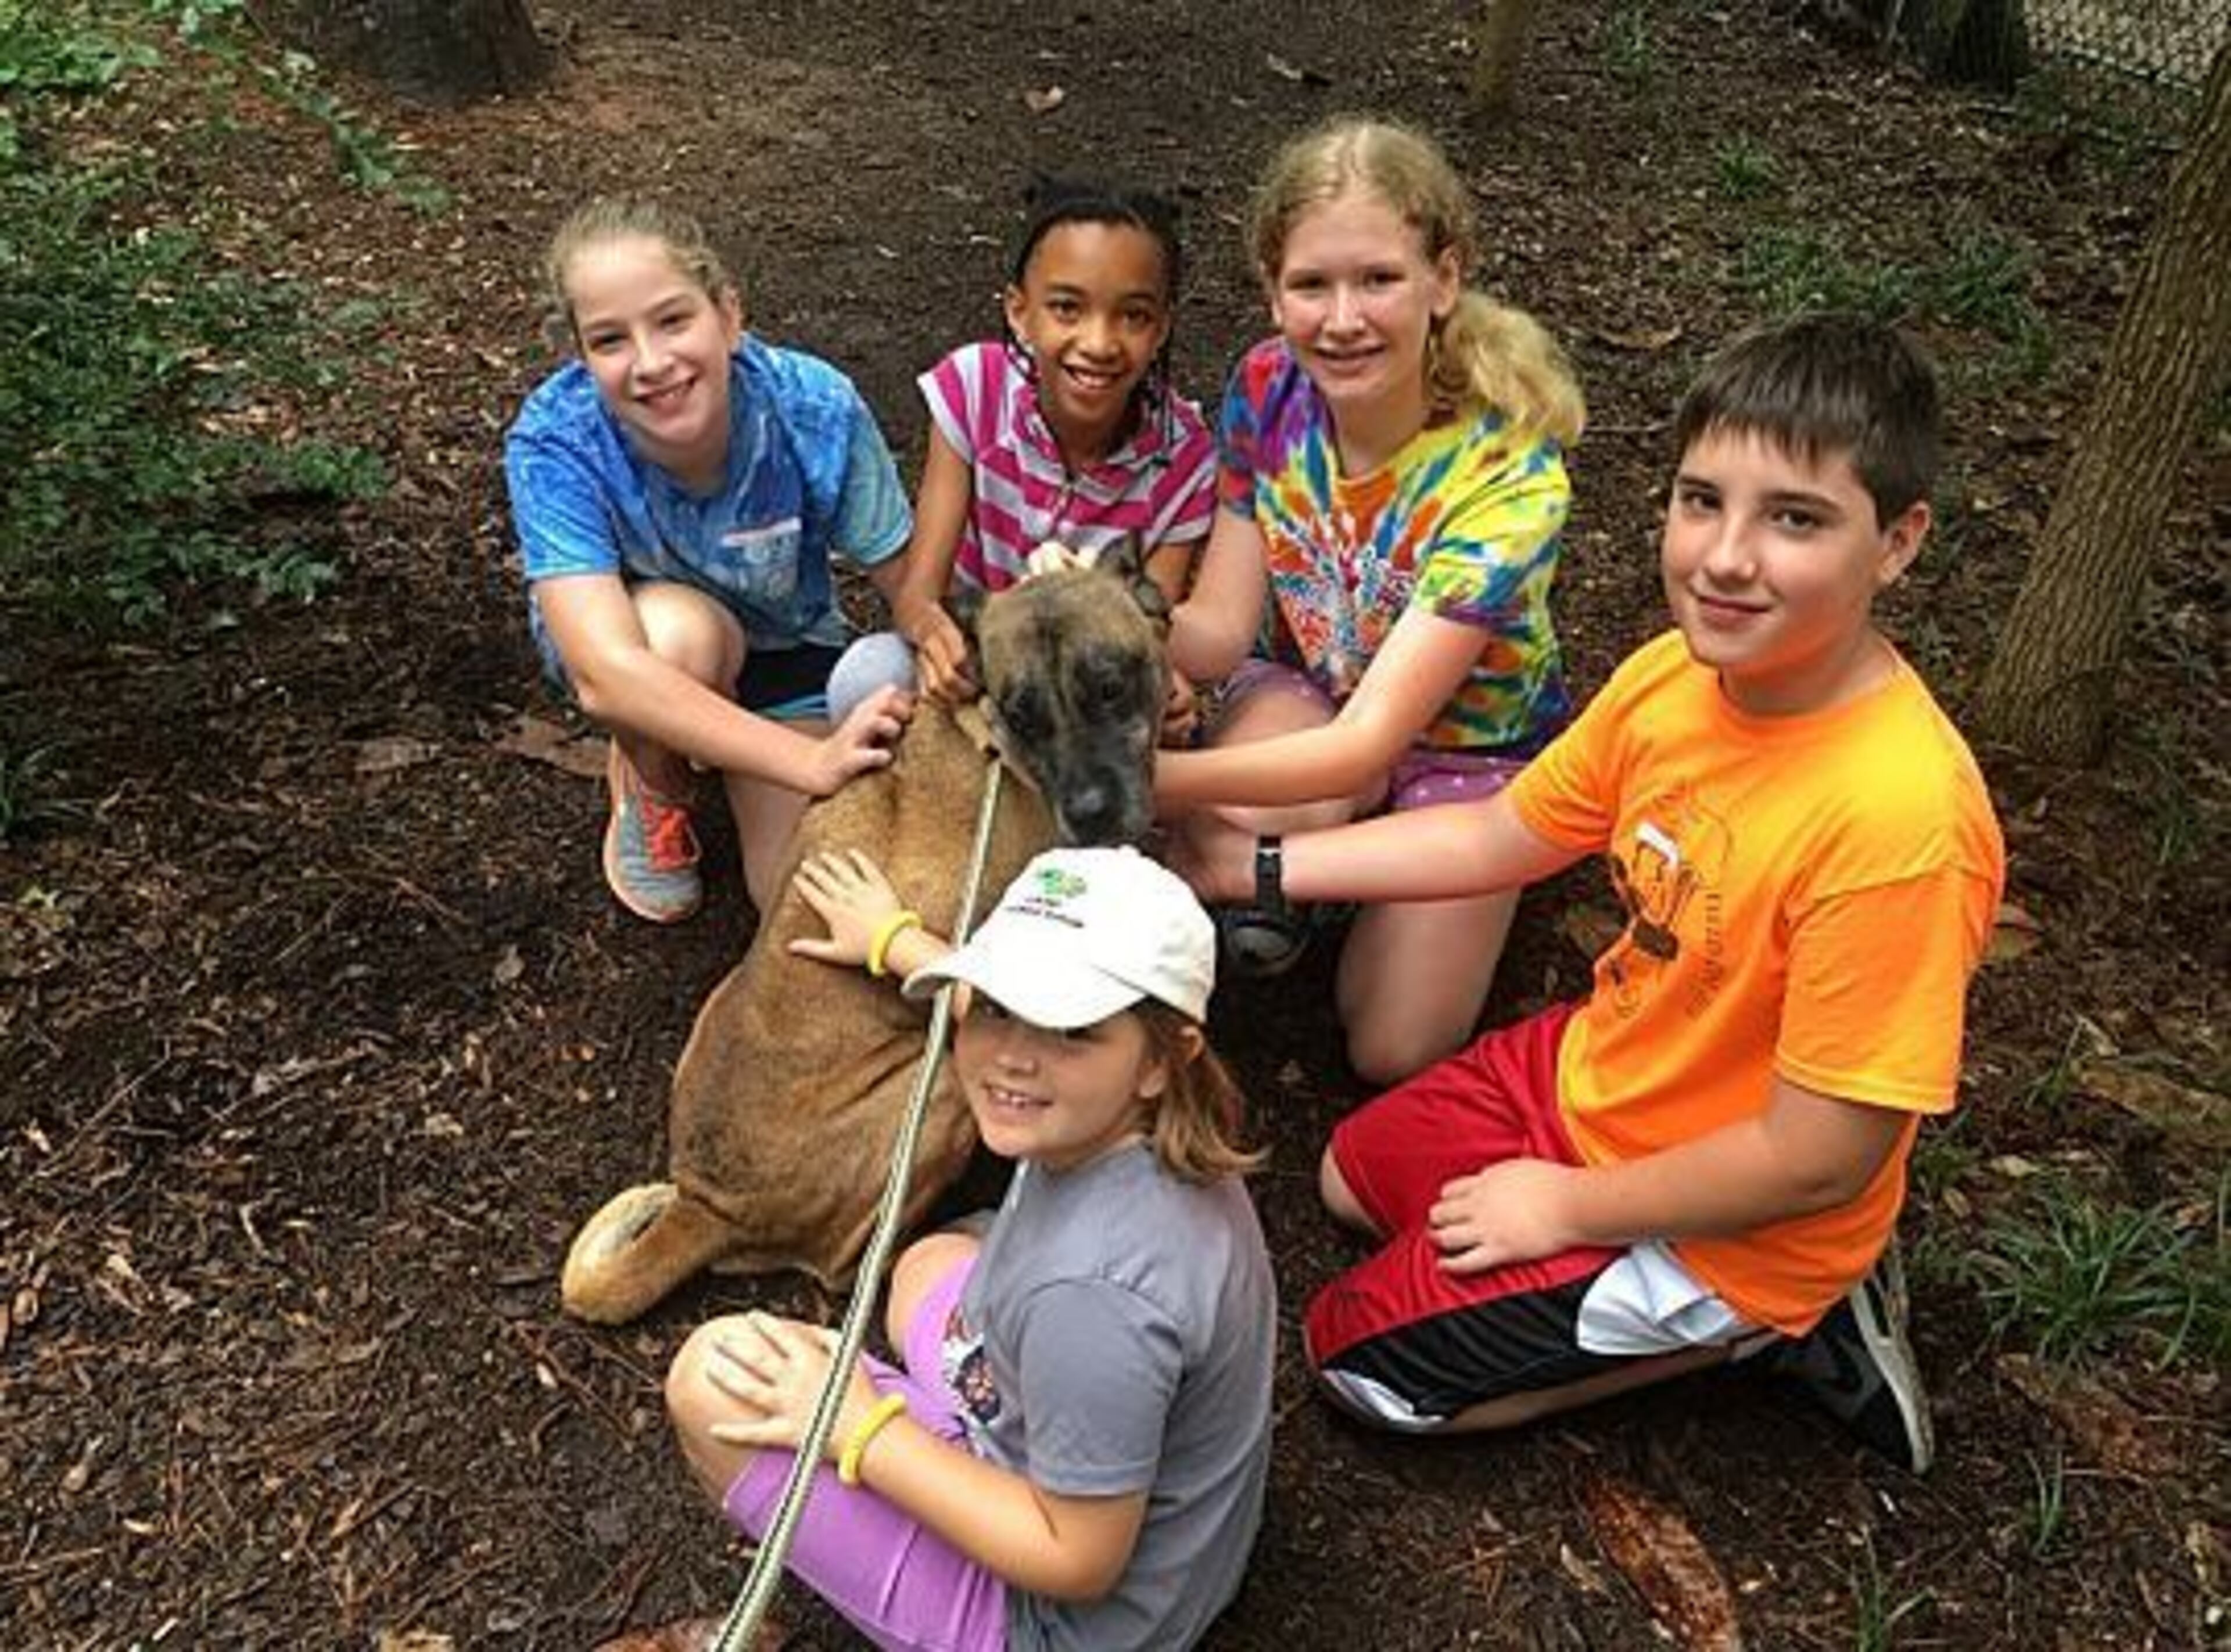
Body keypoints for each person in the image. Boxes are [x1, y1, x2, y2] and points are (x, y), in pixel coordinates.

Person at [1178, 313, 2005, 1475]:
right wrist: (1254, 868)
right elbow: (1501, 833)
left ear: (1898, 542)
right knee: (1350, 1178)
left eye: (1795, 520)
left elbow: (1820, 1155)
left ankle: (1782, 1323)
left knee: (1359, 1361)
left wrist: (1566, 1209)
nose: (1725, 557)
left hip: (1737, 1221)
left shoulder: (1900, 824)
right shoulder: (1676, 677)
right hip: (1607, 1072)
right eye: (1702, 501)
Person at [663, 845, 1276, 1651]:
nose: (1012, 1055)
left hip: (1053, 1620)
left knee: (715, 1381)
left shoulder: (1091, 1301)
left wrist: (859, 1428)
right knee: (928, 1267)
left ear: (1165, 1057)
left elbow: (1077, 1561)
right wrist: (894, 941)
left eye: (1070, 1026)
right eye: (995, 1003)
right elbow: (1012, 1030)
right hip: (1181, 1536)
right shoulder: (1153, 1120)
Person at [1155, 117, 1587, 1086]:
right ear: (1273, 293)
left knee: (1393, 1044)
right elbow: (1218, 634)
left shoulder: (1507, 473)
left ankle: (1307, 874)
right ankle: (1320, 863)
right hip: (1314, 692)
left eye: (1379, 279)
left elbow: (1371, 742)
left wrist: (1146, 783)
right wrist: (1110, 605)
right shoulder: (1266, 387)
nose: (1343, 318)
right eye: (1312, 284)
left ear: (1444, 278)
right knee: (1244, 804)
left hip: (1466, 749)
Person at [505, 197, 927, 924]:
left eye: (673, 320)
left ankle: (738, 752)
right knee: (684, 635)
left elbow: (913, 585)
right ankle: (658, 782)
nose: (651, 363)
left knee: (801, 904)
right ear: (580, 356)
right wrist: (812, 763)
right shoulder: (557, 440)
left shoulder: (813, 408)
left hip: (785, 651)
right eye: (610, 340)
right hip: (652, 655)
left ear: (728, 316)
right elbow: (604, 673)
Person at [888, 178, 1218, 708]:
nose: (1099, 343)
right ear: (1019, 312)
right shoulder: (973, 391)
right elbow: (919, 595)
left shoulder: (1184, 459)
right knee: (869, 673)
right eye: (1067, 308)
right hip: (975, 655)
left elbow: (1152, 628)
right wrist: (936, 640)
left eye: (1133, 316)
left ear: (1161, 330)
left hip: (1088, 685)